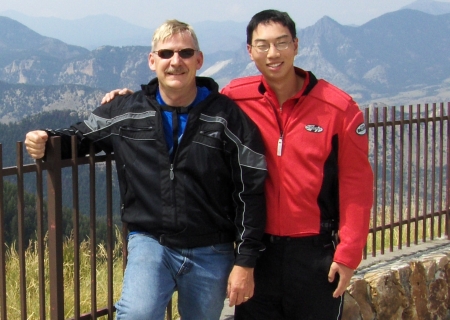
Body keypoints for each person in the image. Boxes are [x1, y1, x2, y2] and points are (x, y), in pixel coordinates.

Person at [102, 9, 374, 320]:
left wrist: (349, 252)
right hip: (259, 252)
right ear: (250, 51)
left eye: (281, 43)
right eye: (262, 45)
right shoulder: (236, 100)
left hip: (314, 251)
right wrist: (128, 99)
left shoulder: (338, 108)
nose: (273, 53)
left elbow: (356, 184)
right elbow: (188, 94)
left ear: (296, 46)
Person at [24, 19, 267, 320]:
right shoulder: (126, 110)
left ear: (199, 60)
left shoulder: (227, 118)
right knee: (136, 314)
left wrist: (245, 262)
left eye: (185, 53)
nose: (175, 61)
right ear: (152, 61)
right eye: (166, 54)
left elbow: (251, 192)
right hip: (151, 242)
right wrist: (46, 139)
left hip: (212, 248)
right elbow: (80, 137)